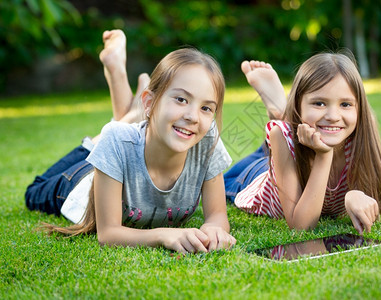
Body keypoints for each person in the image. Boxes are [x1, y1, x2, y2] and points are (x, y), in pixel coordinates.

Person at [25, 29, 236, 254]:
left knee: (117, 135)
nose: (193, 116)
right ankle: (113, 126)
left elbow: (217, 215)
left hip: (124, 146)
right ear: (150, 103)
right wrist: (163, 234)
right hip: (82, 182)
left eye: (206, 108)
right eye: (181, 99)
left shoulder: (207, 140)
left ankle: (125, 115)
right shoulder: (115, 141)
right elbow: (108, 234)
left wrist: (214, 228)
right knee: (34, 191)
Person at [224, 54, 381, 234]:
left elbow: (380, 201)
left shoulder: (361, 132)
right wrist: (324, 154)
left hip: (294, 145)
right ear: (299, 105)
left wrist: (355, 195)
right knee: (228, 179)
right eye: (319, 103)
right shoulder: (281, 136)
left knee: (286, 140)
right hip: (255, 177)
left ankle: (282, 114)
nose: (333, 116)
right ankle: (283, 117)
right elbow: (301, 226)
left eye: (345, 104)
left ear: (359, 108)